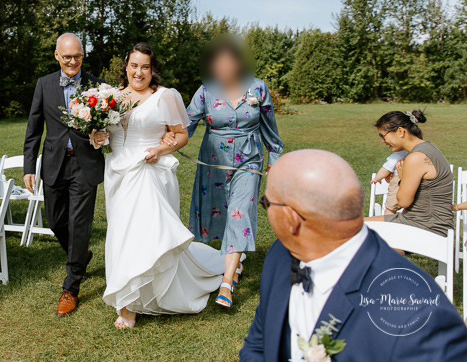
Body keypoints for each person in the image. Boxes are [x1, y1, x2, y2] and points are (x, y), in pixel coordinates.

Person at [239, 149, 467, 362]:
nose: (266, 210)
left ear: (291, 218)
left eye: (266, 203)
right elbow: (258, 345)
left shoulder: (417, 318)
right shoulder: (281, 254)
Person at [102, 43, 224, 329]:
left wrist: (160, 150)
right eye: (134, 65)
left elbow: (180, 136)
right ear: (126, 67)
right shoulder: (111, 97)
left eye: (145, 66)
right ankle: (135, 291)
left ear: (152, 69)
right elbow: (108, 134)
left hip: (149, 169)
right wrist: (99, 138)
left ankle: (128, 305)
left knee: (142, 233)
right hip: (118, 170)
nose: (139, 72)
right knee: (121, 233)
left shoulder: (166, 97)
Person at [183, 34, 284, 308]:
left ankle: (226, 284)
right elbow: (185, 124)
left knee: (239, 211)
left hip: (248, 160)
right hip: (213, 160)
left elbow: (270, 127)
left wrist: (274, 156)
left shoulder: (258, 89)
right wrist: (165, 141)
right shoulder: (205, 91)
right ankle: (235, 261)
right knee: (221, 211)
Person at [23, 33, 105, 317]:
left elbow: (109, 126)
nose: (72, 61)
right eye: (67, 56)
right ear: (56, 55)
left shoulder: (97, 86)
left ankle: (71, 287)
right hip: (54, 164)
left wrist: (102, 135)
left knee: (78, 223)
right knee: (56, 220)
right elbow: (33, 129)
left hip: (85, 163)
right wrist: (28, 167)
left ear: (83, 55)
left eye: (77, 56)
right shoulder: (44, 84)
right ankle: (80, 255)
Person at [365, 110, 453, 237]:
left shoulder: (416, 157)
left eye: (383, 136)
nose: (382, 141)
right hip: (428, 223)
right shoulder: (429, 148)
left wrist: (402, 178)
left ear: (401, 131)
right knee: (352, 226)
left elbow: (403, 202)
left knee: (353, 231)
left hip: (426, 228)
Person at [371, 149, 408, 214]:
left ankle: (388, 221)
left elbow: (386, 169)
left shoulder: (399, 154)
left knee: (390, 207)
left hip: (398, 184)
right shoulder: (419, 153)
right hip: (414, 183)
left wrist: (377, 178)